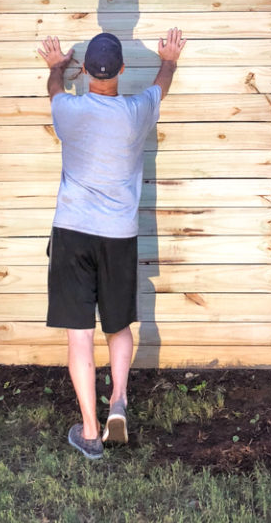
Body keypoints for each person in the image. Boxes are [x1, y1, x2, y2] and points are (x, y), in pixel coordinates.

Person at [37, 26, 186, 460]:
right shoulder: (138, 111)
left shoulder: (68, 109)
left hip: (72, 233)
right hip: (118, 236)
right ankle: (117, 400)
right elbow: (162, 84)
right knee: (118, 325)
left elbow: (53, 90)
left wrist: (55, 68)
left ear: (85, 71)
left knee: (79, 337)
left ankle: (88, 432)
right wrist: (169, 58)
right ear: (121, 70)